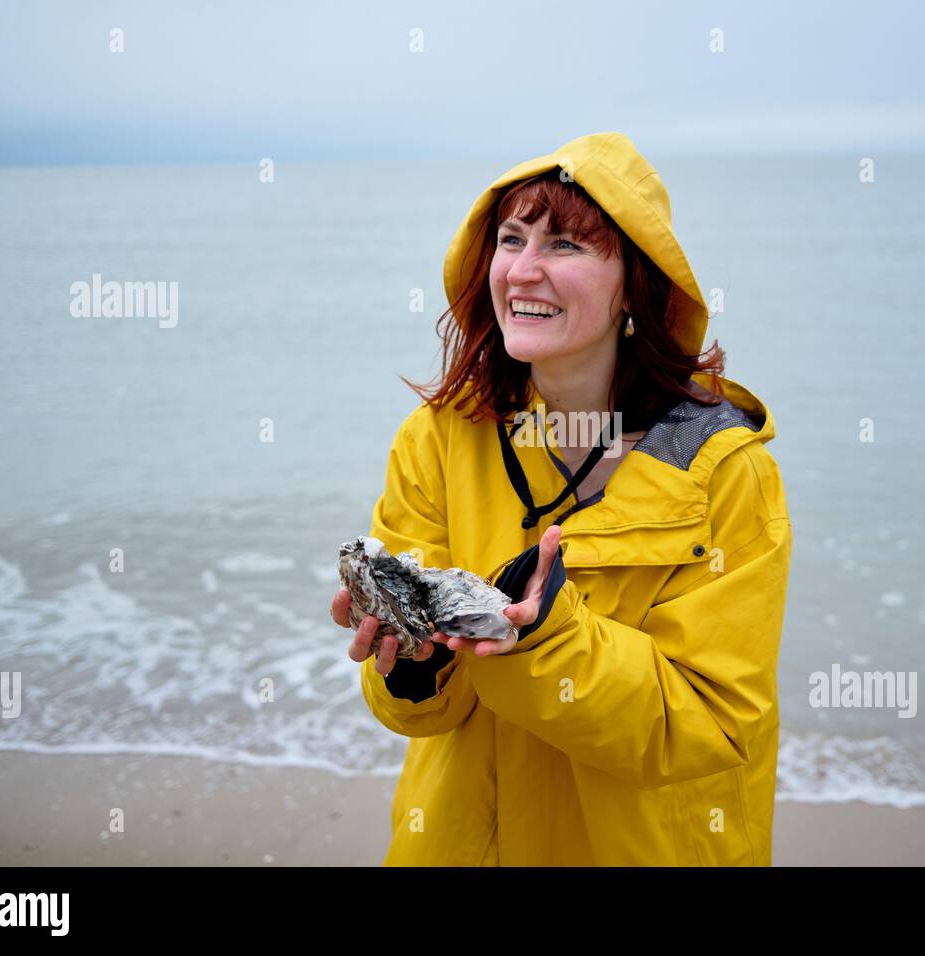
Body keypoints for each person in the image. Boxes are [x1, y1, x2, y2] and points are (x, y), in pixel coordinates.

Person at [329, 131, 792, 866]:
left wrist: (545, 642)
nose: (524, 270)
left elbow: (713, 723)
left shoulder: (723, 472)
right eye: (511, 239)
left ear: (635, 287)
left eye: (568, 246)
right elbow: (420, 714)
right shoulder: (440, 440)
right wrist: (409, 659)